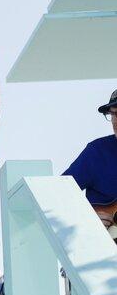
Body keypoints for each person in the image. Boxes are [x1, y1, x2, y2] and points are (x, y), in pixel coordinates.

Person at [64, 89, 117, 241]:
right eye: (112, 114)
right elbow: (57, 196)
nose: (115, 121)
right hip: (100, 249)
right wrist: (86, 220)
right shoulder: (97, 152)